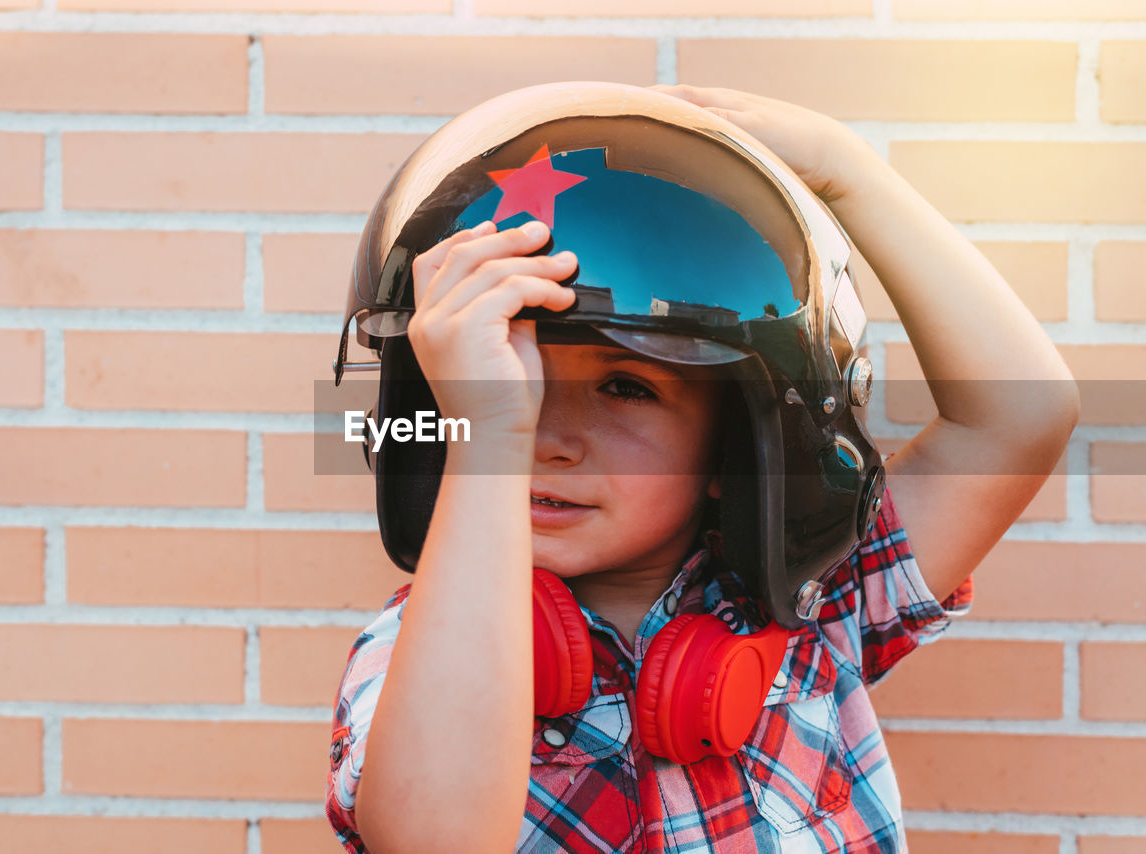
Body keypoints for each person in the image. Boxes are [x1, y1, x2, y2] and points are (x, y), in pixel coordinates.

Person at [323, 82, 1078, 853]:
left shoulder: (817, 610)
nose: (549, 439)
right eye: (514, 384)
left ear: (730, 450)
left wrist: (854, 176)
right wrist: (486, 433)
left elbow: (1019, 418)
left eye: (626, 386)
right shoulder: (418, 647)